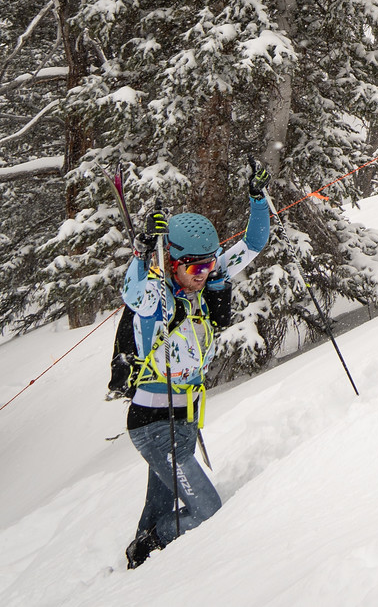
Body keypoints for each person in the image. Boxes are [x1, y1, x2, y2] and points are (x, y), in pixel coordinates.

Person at [121, 163, 271, 569]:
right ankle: (156, 546)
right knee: (207, 512)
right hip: (155, 425)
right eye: (194, 268)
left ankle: (140, 563)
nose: (204, 276)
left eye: (209, 266)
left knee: (159, 504)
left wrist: (258, 199)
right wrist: (139, 251)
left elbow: (255, 243)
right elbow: (133, 293)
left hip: (183, 420)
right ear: (173, 263)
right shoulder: (159, 299)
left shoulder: (206, 278)